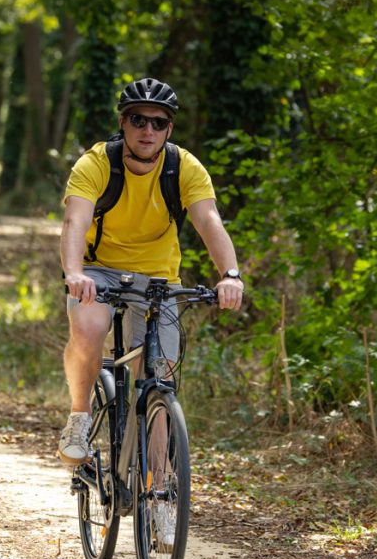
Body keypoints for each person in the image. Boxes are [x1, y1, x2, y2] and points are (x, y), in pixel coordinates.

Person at [58, 77, 244, 468]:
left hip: (159, 279)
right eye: (139, 120)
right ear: (123, 123)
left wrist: (230, 274)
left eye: (158, 123)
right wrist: (74, 272)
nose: (148, 130)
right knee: (89, 328)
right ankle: (79, 416)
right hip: (98, 271)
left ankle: (158, 484)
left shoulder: (183, 167)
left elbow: (209, 221)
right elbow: (75, 222)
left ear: (169, 129)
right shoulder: (96, 163)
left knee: (160, 377)